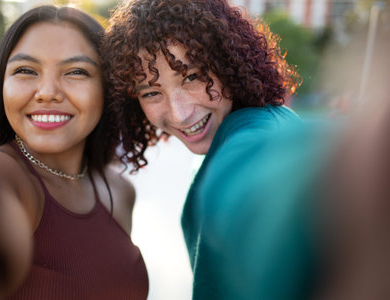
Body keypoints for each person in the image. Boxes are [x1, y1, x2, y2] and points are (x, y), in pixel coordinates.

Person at [101, 0, 317, 299]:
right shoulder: (238, 129)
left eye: (191, 76)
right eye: (151, 92)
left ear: (228, 59)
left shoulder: (253, 141)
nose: (179, 113)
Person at [0, 5, 148, 299]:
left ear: (108, 88)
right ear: (1, 84)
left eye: (77, 72)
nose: (47, 91)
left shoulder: (119, 191)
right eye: (26, 71)